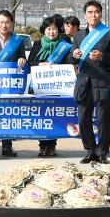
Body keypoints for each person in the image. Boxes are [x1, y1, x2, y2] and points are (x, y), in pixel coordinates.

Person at [72, 0, 110, 164]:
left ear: (101, 14)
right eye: (90, 12)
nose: (93, 15)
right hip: (84, 82)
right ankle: (90, 150)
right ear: (85, 15)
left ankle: (102, 152)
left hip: (103, 81)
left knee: (103, 119)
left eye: (96, 12)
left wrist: (101, 57)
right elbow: (71, 58)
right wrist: (74, 55)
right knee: (83, 118)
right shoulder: (78, 35)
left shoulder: (109, 34)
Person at [0, 10, 28, 159]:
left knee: (8, 115)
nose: (4, 25)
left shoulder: (18, 40)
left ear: (11, 23)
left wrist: (22, 60)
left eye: (7, 22)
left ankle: (7, 147)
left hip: (10, 86)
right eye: (1, 22)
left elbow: (22, 58)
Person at [29, 15, 73, 157]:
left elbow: (69, 62)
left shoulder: (65, 43)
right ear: (44, 30)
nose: (51, 32)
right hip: (39, 87)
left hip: (57, 86)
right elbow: (30, 63)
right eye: (48, 29)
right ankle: (42, 145)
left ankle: (52, 145)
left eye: (54, 29)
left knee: (53, 116)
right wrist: (39, 64)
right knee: (41, 116)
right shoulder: (37, 44)